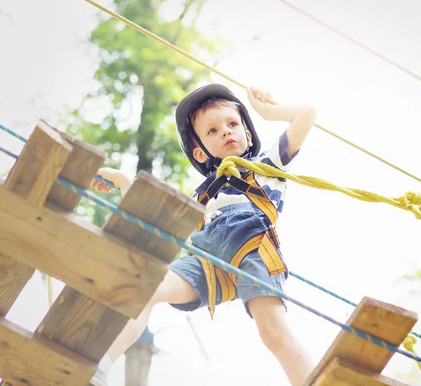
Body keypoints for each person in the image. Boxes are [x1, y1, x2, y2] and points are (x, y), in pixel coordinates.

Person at [89, 84, 316, 386]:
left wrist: (267, 112)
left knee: (273, 333)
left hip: (253, 248)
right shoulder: (203, 197)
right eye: (212, 131)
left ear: (248, 133)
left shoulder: (267, 164)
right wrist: (121, 180)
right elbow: (155, 220)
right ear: (200, 151)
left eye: (233, 124)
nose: (225, 132)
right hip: (207, 260)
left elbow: (306, 114)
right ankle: (98, 368)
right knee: (145, 285)